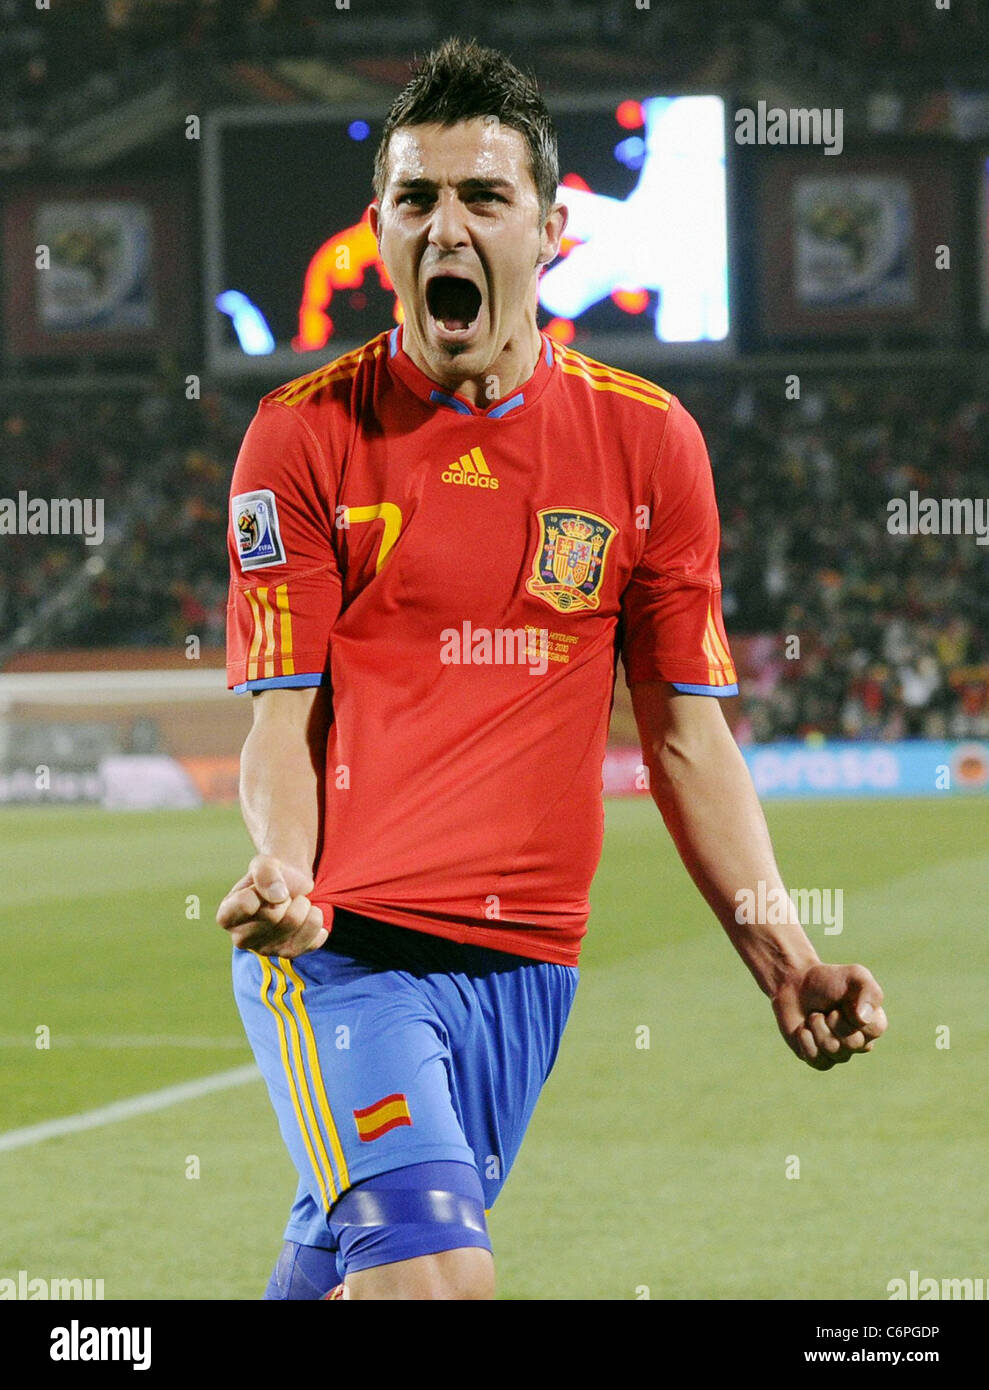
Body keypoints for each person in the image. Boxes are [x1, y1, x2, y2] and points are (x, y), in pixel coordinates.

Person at [216, 36, 888, 1302]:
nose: (446, 226)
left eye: (483, 197)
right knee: (438, 1282)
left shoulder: (645, 446)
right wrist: (287, 876)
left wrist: (785, 958)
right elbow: (278, 714)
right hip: (345, 957)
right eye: (415, 201)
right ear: (378, 229)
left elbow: (688, 738)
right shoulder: (301, 436)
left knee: (349, 1278)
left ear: (552, 226)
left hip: (530, 970)